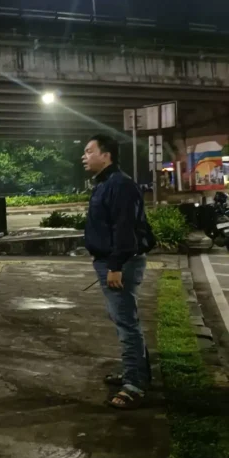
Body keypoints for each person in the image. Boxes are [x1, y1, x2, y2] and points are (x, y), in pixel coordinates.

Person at [82, 134, 155, 410]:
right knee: (122, 319)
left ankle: (134, 384)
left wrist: (115, 266)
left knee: (126, 323)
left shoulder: (120, 184)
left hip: (119, 263)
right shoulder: (105, 183)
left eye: (89, 151)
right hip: (111, 261)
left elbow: (124, 228)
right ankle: (137, 372)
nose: (84, 156)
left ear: (106, 155)